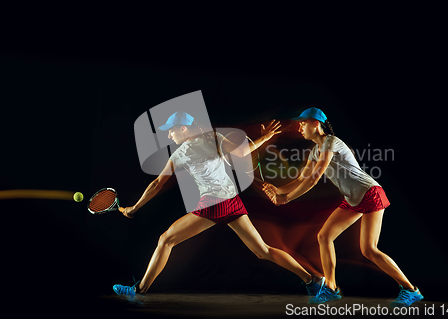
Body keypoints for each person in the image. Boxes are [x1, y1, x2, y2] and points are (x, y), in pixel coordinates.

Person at [112, 111, 323, 301]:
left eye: (172, 131)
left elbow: (158, 183)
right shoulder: (212, 137)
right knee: (263, 251)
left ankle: (139, 290)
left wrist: (135, 208)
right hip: (231, 200)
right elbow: (242, 152)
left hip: (213, 203)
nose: (169, 135)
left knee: (165, 240)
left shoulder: (183, 151)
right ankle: (311, 280)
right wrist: (265, 138)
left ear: (183, 128)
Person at [263, 107, 423, 307]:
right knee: (324, 236)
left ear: (316, 124)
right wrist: (278, 190)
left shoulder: (331, 142)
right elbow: (303, 178)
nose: (299, 127)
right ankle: (331, 288)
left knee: (369, 250)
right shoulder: (315, 150)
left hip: (370, 193)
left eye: (303, 123)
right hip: (353, 198)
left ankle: (411, 289)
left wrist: (287, 199)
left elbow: (314, 178)